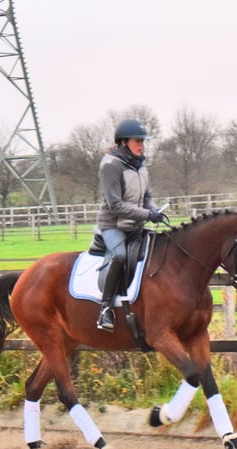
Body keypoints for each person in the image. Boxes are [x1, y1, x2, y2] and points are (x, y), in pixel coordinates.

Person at [95, 118, 165, 331]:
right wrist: (146, 214)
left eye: (143, 141)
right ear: (124, 142)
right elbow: (115, 205)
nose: (142, 145)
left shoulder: (141, 165)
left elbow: (147, 197)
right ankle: (105, 309)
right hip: (113, 226)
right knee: (120, 256)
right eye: (138, 141)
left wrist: (153, 210)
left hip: (135, 225)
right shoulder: (110, 166)